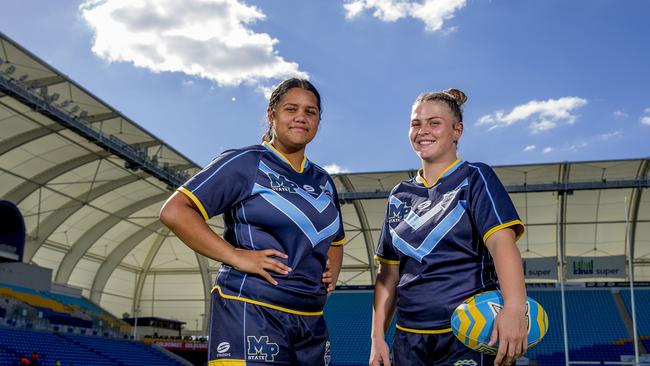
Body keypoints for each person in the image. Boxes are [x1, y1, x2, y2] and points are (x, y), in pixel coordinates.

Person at [160, 78, 345, 365]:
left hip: (310, 321)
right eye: (291, 109)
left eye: (310, 112)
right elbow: (175, 211)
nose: (301, 117)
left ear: (319, 120)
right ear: (272, 114)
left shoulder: (323, 181)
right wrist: (235, 255)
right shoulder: (246, 162)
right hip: (252, 311)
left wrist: (329, 274)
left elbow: (336, 239)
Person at [369, 89, 528, 366]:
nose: (423, 130)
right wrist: (377, 338)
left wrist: (514, 308)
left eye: (434, 122)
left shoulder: (474, 177)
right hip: (409, 340)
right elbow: (388, 274)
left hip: (469, 336)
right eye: (416, 123)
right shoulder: (398, 195)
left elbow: (502, 244)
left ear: (457, 131)